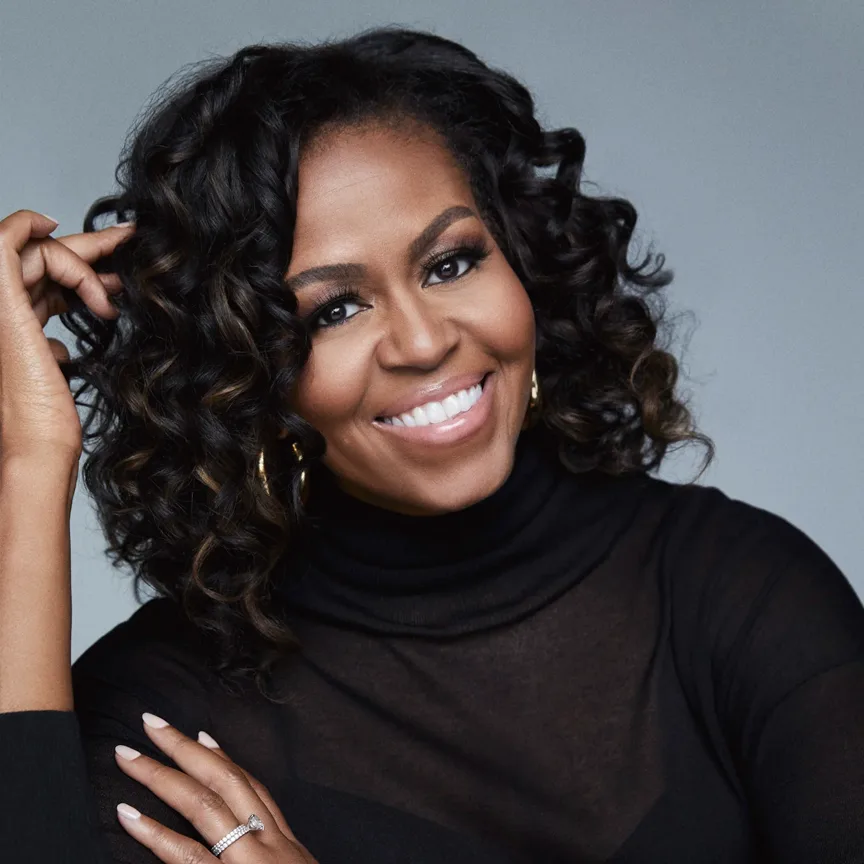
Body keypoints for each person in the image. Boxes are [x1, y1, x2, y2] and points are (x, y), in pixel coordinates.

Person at [1, 25, 862, 864]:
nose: (422, 342)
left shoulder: (738, 591)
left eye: (450, 264)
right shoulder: (169, 719)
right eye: (333, 310)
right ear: (243, 371)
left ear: (523, 261)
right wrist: (29, 460)